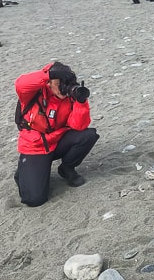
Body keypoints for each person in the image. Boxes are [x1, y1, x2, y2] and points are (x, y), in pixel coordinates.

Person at [14, 61, 99, 207]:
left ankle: (67, 168)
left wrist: (81, 102)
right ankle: (24, 171)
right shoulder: (33, 93)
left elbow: (79, 126)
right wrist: (51, 74)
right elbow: (20, 83)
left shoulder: (70, 96)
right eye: (59, 84)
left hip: (58, 141)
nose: (63, 89)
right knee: (35, 200)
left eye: (65, 83)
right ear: (48, 83)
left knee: (88, 135)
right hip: (35, 147)